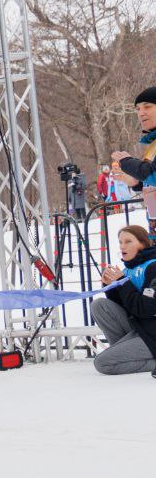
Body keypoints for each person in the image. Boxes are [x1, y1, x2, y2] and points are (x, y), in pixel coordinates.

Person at [90, 224, 156, 375]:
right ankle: (122, 351)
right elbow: (126, 306)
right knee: (99, 305)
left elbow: (145, 309)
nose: (122, 246)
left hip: (152, 332)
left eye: (128, 241)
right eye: (120, 242)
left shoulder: (153, 267)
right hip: (139, 328)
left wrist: (124, 282)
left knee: (103, 364)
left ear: (142, 244)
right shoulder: (127, 270)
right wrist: (111, 286)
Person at [111, 87, 156, 231]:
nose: (141, 113)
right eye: (137, 109)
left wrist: (127, 162)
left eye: (147, 106)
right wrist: (137, 182)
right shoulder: (152, 144)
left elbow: (153, 174)